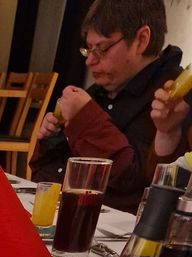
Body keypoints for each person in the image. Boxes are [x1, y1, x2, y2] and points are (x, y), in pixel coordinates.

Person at [30, 0, 184, 212]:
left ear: (141, 40)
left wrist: (85, 118)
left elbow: (133, 187)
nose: (89, 61)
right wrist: (52, 139)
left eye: (101, 49)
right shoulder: (100, 91)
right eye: (89, 49)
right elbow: (45, 180)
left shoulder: (171, 99)